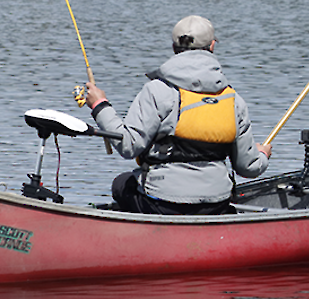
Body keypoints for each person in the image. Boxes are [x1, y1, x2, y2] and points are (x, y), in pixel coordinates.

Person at [84, 15, 272, 215]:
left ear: (174, 48)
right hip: (216, 204)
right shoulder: (233, 100)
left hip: (163, 203)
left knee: (121, 184)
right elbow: (248, 168)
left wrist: (99, 105)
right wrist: (262, 154)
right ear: (213, 46)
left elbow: (128, 146)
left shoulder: (156, 91)